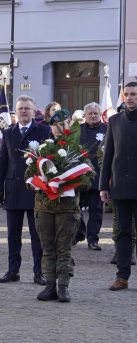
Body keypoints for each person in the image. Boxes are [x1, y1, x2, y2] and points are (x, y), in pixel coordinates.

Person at [0, 95, 51, 285]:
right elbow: (2, 162)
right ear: (16, 112)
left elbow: (49, 161)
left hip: (36, 190)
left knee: (37, 235)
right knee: (13, 235)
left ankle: (39, 272)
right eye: (20, 109)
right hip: (13, 189)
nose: (24, 111)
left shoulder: (43, 130)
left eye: (27, 108)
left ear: (34, 111)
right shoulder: (9, 133)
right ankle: (13, 271)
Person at [33, 109, 82, 303]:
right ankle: (50, 285)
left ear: (69, 125)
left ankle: (63, 287)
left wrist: (71, 182)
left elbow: (88, 177)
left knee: (64, 249)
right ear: (50, 126)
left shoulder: (77, 149)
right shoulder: (42, 148)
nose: (59, 128)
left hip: (67, 208)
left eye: (63, 123)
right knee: (48, 248)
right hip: (44, 207)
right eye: (55, 124)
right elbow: (30, 174)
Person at [100, 81, 137, 291]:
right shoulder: (114, 121)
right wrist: (103, 186)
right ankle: (122, 277)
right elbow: (108, 158)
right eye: (127, 94)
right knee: (122, 233)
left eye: (134, 94)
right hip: (120, 188)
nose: (130, 98)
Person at [75, 102, 107, 250]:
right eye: (90, 114)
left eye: (96, 114)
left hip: (99, 176)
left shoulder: (107, 130)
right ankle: (78, 233)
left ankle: (92, 239)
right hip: (79, 177)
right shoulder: (77, 130)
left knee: (96, 210)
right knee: (76, 208)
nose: (93, 116)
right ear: (85, 116)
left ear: (100, 115)